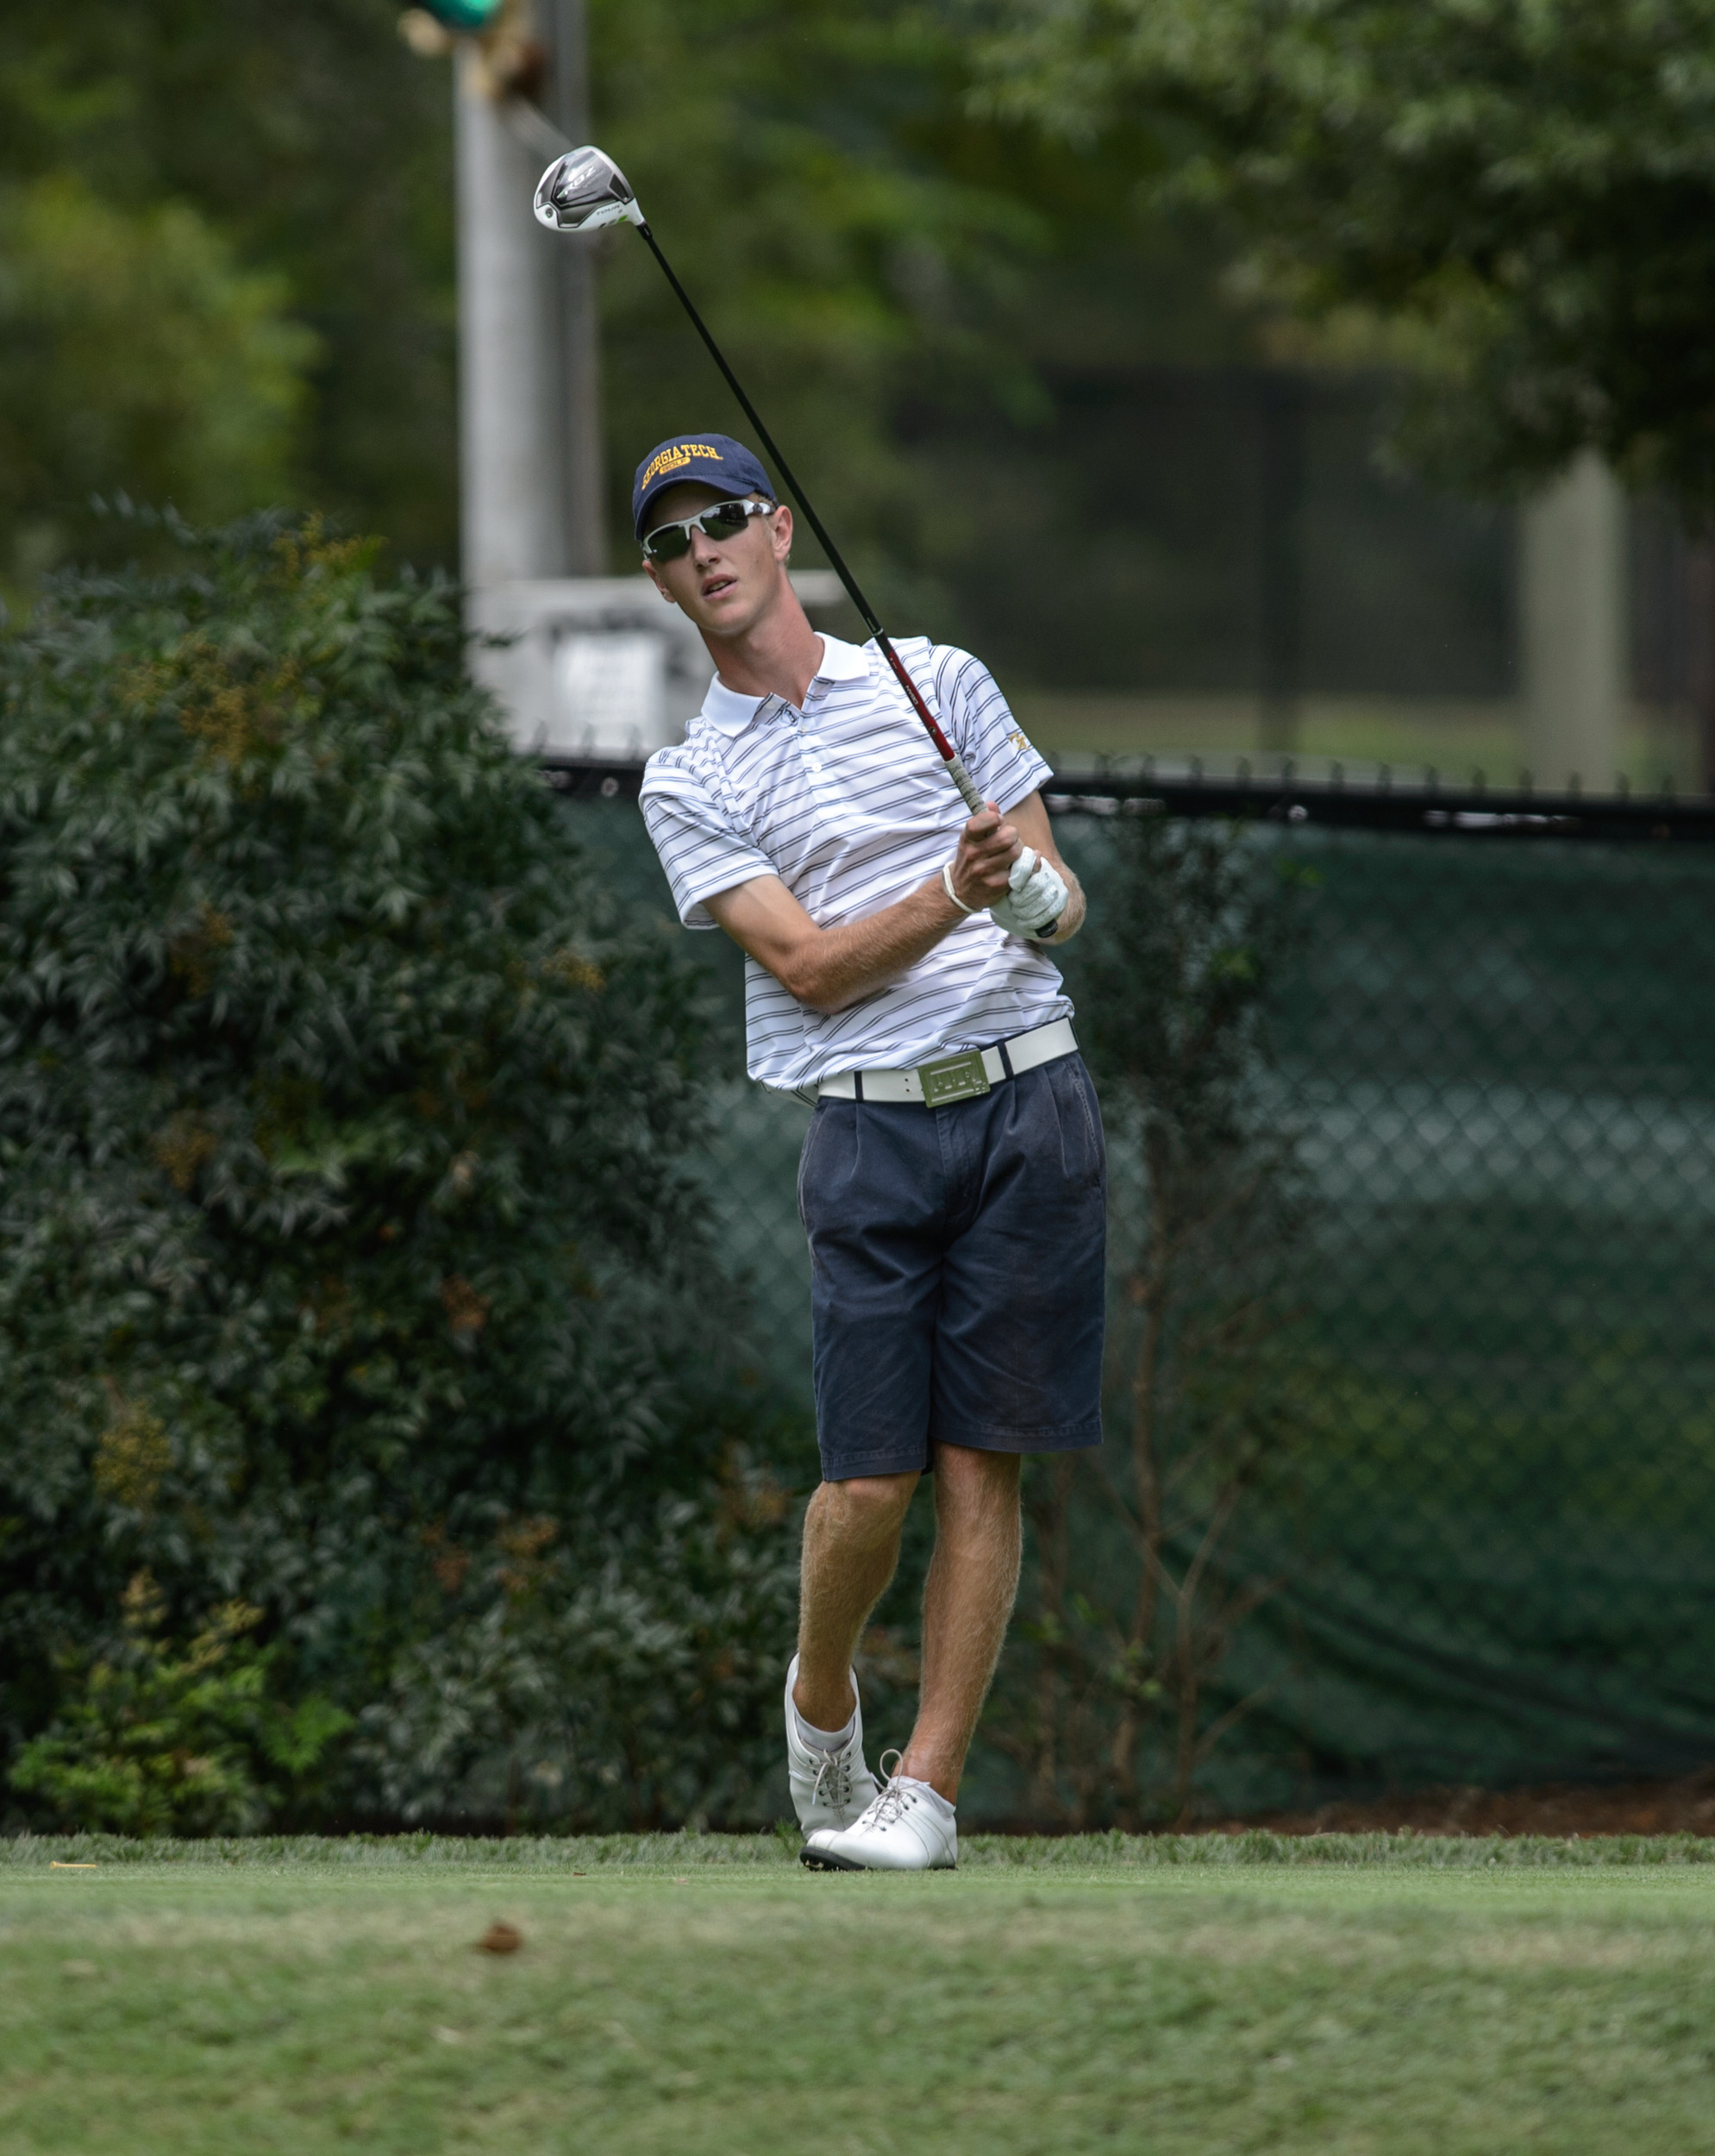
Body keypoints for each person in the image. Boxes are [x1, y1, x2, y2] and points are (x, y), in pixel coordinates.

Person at [636, 433, 1105, 1871]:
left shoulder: (939, 679)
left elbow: (1062, 908)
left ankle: (928, 1795)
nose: (702, 550)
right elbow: (815, 974)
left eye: (721, 519)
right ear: (658, 583)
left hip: (1030, 1106)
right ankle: (822, 1692)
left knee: (982, 1466)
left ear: (778, 530)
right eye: (670, 541)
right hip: (867, 1130)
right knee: (865, 1484)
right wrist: (950, 891)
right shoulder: (685, 779)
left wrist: (1015, 887)